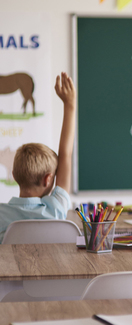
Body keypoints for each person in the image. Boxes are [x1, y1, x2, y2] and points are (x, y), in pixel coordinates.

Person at [0, 73, 76, 242]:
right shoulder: (55, 209)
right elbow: (66, 155)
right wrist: (69, 104)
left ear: (14, 175)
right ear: (49, 179)